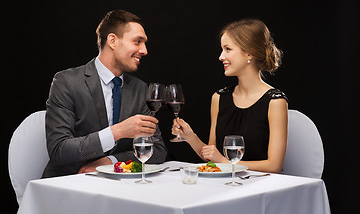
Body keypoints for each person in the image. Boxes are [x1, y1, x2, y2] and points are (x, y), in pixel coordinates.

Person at [42, 10, 167, 178]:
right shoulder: (67, 82)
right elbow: (59, 150)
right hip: (70, 185)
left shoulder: (140, 89)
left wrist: (111, 161)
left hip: (118, 188)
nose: (144, 50)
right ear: (112, 41)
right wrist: (117, 132)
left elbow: (157, 150)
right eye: (138, 42)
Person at [172, 19, 288, 173]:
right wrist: (190, 137)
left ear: (250, 52)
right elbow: (212, 157)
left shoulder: (275, 101)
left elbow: (274, 166)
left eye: (227, 49)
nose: (221, 56)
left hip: (260, 189)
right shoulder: (219, 98)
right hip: (225, 185)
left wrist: (224, 162)